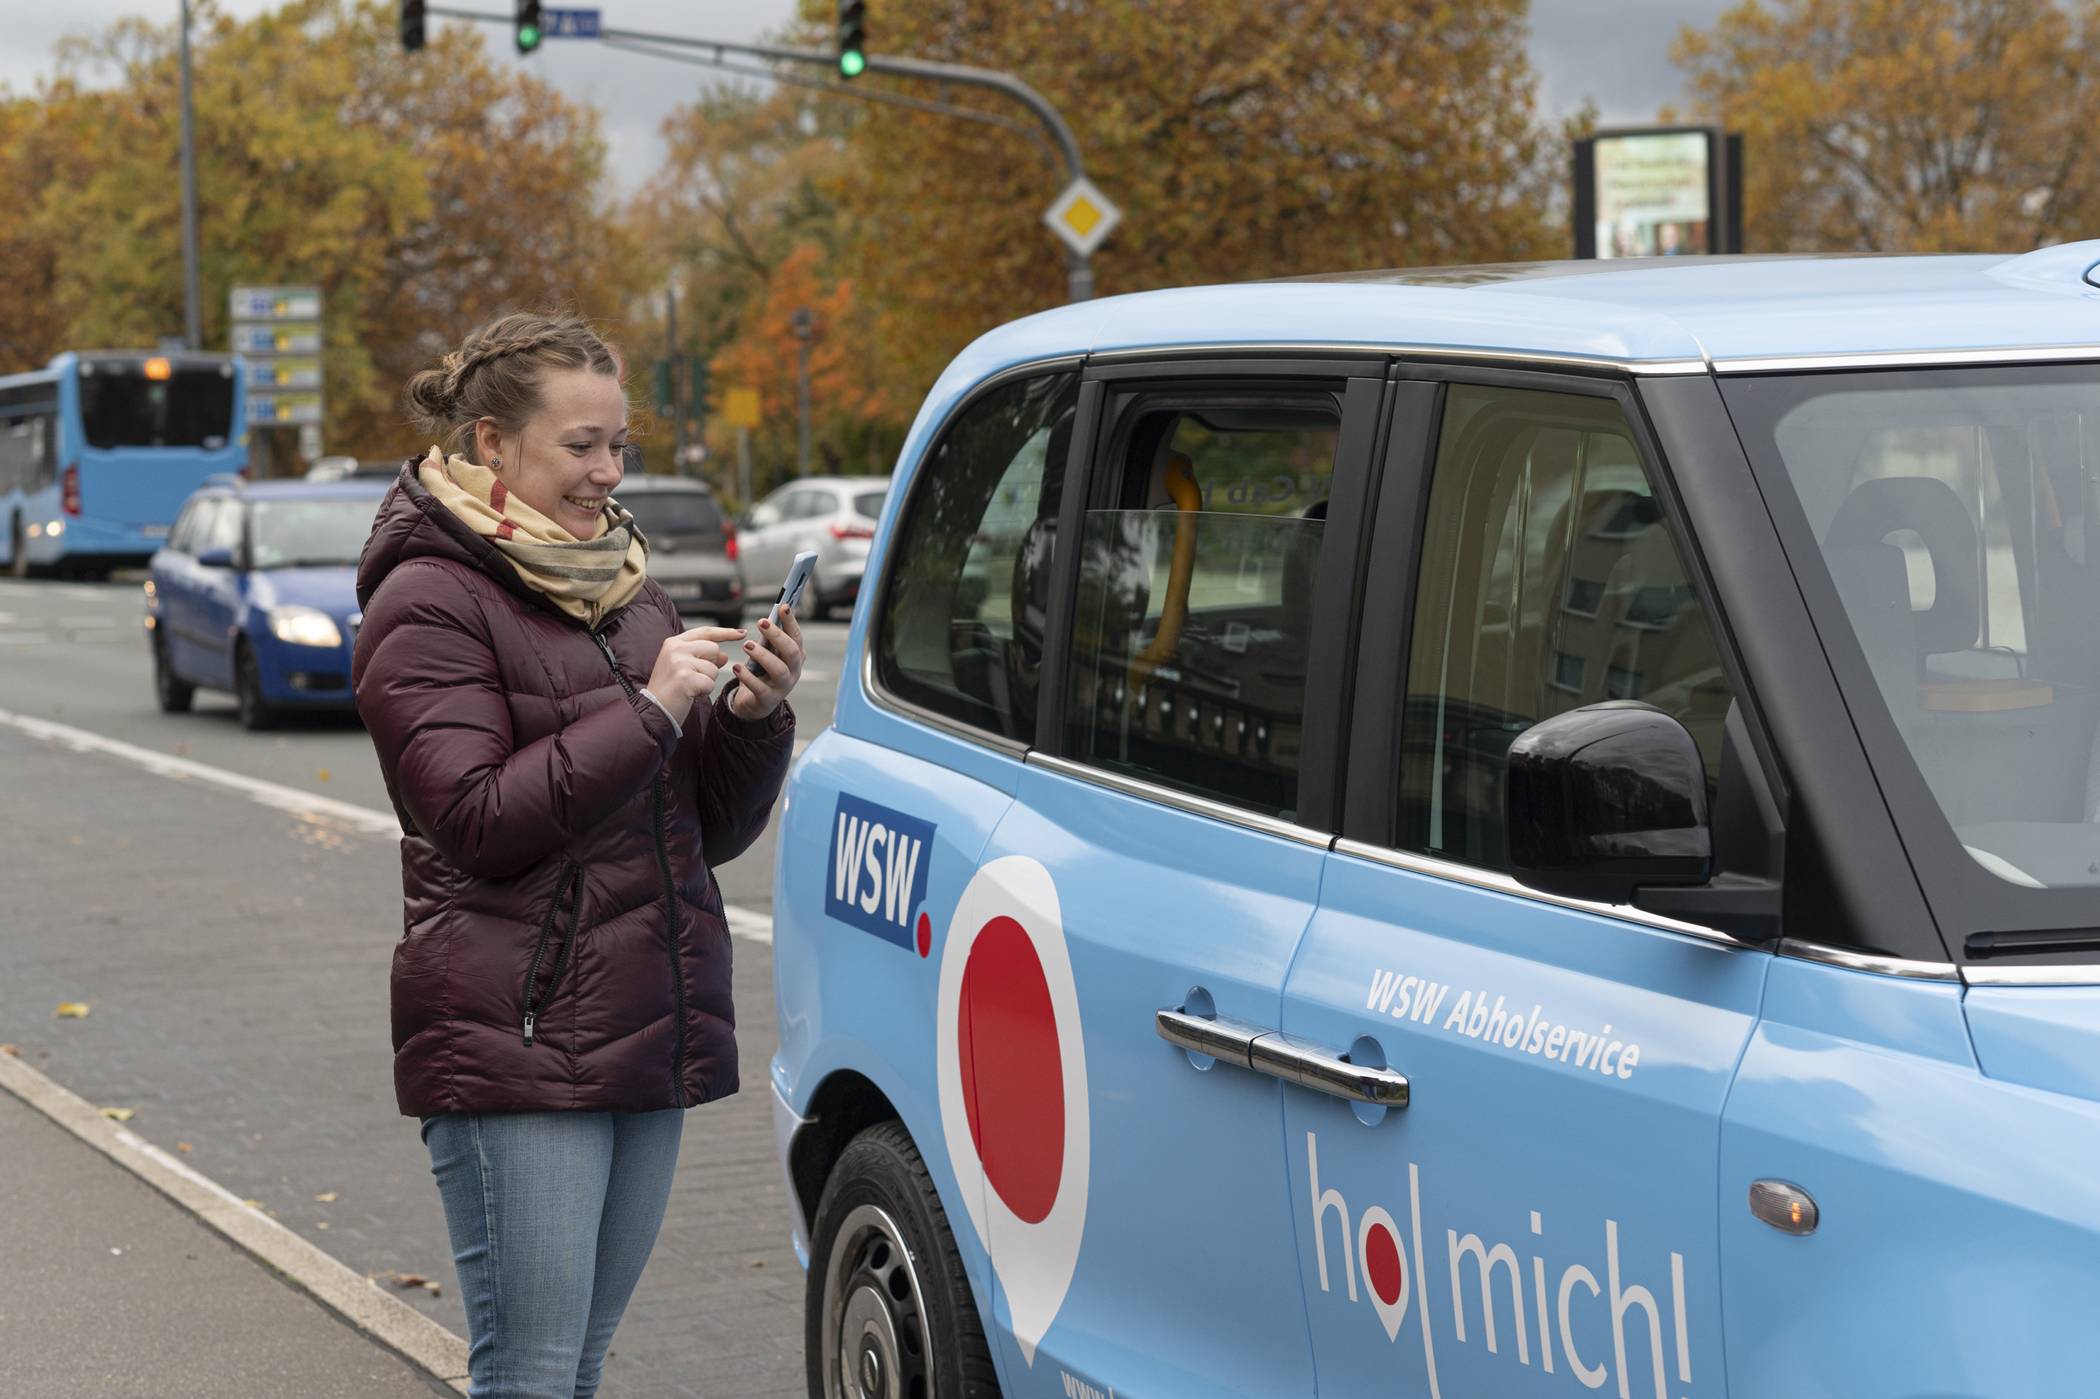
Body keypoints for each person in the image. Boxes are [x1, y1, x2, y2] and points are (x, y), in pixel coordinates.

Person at [349, 312, 801, 1398]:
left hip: (645, 1013)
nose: (607, 472)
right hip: (521, 1034)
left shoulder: (625, 586)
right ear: (492, 445)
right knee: (534, 1369)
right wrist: (651, 709)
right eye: (580, 446)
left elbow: (703, 828)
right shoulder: (428, 597)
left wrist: (747, 714)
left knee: (578, 1364)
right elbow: (476, 818)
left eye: (619, 446)